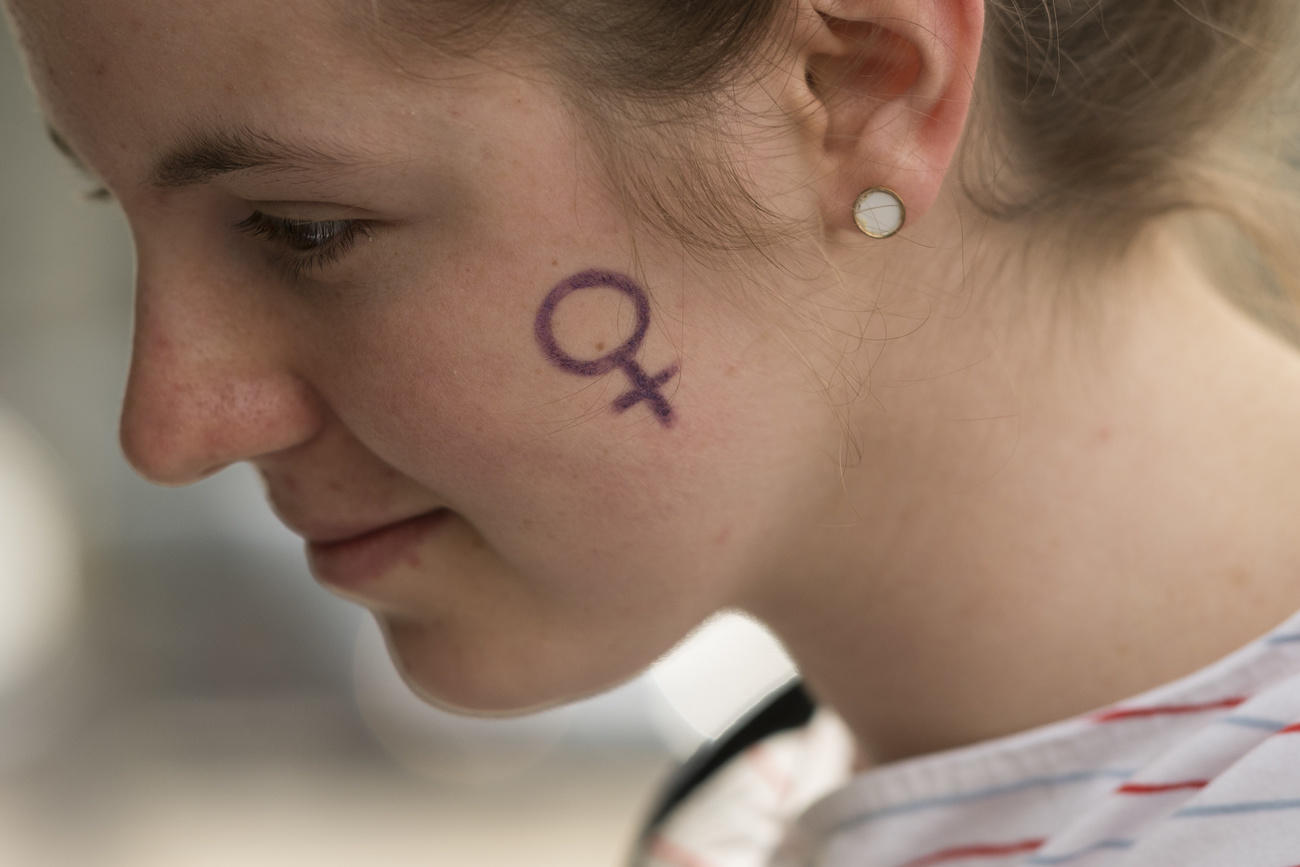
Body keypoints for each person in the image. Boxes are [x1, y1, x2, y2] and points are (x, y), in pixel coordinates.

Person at [5, 0, 1300, 863]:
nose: (168, 427)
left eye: (305, 231)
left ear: (858, 87)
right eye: (113, 210)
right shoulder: (762, 809)